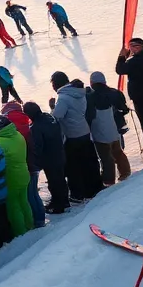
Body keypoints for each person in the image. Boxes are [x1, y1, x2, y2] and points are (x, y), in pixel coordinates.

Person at [49, 71, 103, 201]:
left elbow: (57, 116)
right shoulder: (79, 92)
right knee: (89, 162)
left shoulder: (63, 97)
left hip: (72, 135)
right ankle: (94, 188)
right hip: (84, 130)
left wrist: (52, 107)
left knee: (74, 166)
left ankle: (77, 194)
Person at [85, 72, 131, 185]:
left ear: (92, 83)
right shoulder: (115, 92)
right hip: (115, 128)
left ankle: (108, 180)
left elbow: (89, 115)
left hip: (99, 131)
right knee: (118, 151)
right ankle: (125, 172)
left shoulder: (90, 97)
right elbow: (124, 108)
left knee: (106, 156)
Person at [24, 102, 69, 214]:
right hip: (59, 153)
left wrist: (36, 159)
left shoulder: (36, 127)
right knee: (60, 179)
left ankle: (59, 206)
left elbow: (39, 146)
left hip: (49, 158)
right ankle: (63, 201)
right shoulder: (50, 118)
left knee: (54, 182)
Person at [0, 116, 32, 238]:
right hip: (24, 173)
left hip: (11, 178)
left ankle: (21, 232)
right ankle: (30, 225)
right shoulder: (18, 135)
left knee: (14, 206)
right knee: (24, 202)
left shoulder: (0, 143)